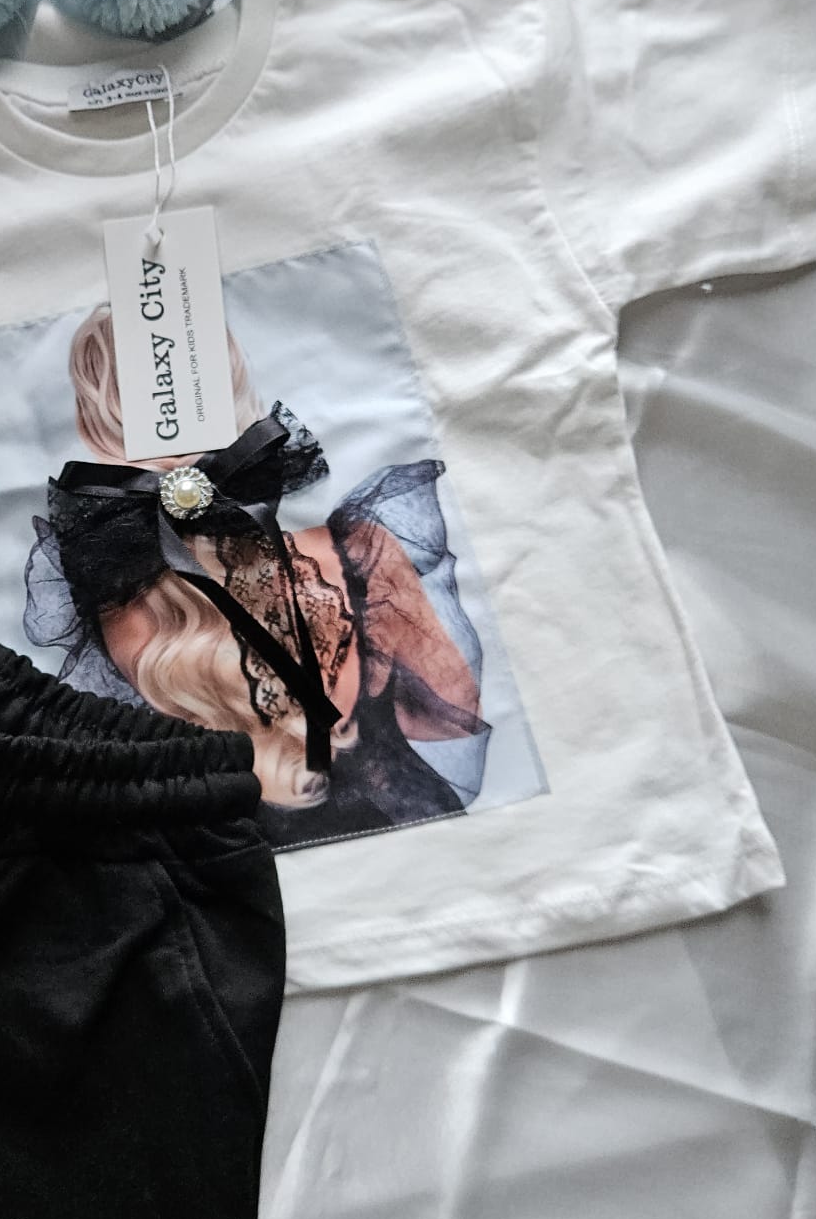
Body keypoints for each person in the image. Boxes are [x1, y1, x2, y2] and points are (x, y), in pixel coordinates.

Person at [26, 304, 490, 841]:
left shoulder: (112, 601)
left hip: (238, 867)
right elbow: (449, 710)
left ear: (90, 425)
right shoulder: (357, 550)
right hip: (406, 833)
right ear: (238, 385)